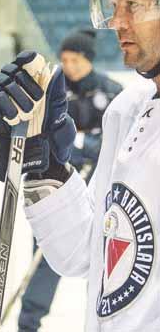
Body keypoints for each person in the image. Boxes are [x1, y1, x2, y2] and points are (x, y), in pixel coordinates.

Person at [0, 0, 160, 331]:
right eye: (113, 5)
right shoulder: (128, 108)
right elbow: (86, 253)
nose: (117, 21)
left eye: (131, 4)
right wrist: (44, 167)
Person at [17, 29, 122, 331]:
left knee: (102, 263)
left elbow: (112, 143)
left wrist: (79, 144)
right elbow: (46, 139)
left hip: (98, 188)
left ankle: (105, 321)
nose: (69, 65)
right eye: (64, 59)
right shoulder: (53, 90)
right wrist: (80, 144)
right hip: (57, 190)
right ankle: (28, 323)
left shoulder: (112, 90)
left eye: (75, 59)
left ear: (88, 59)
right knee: (45, 259)